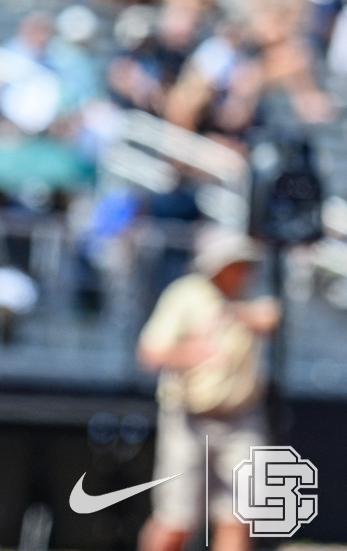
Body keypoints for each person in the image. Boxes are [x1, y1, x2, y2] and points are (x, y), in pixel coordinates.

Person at [136, 225, 280, 551]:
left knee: (240, 515)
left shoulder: (251, 294)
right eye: (237, 263)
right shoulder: (185, 294)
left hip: (242, 418)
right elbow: (149, 353)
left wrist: (235, 315)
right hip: (189, 419)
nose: (245, 269)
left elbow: (272, 317)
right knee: (176, 519)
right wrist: (195, 353)